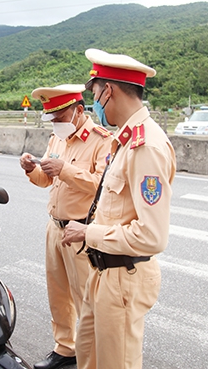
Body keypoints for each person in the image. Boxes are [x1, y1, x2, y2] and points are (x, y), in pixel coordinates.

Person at [61, 49, 176, 369]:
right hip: (103, 271)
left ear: (108, 90)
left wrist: (89, 231)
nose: (95, 102)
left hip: (123, 276)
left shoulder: (146, 146)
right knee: (89, 357)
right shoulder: (124, 141)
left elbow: (152, 236)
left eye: (95, 92)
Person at [20, 84, 112, 369]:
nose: (56, 123)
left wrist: (66, 171)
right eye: (52, 118)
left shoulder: (102, 140)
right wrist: (31, 170)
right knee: (57, 293)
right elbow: (48, 180)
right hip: (55, 227)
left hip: (82, 230)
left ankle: (90, 355)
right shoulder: (57, 139)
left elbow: (104, 185)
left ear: (78, 110)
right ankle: (65, 349)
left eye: (60, 116)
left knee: (85, 296)